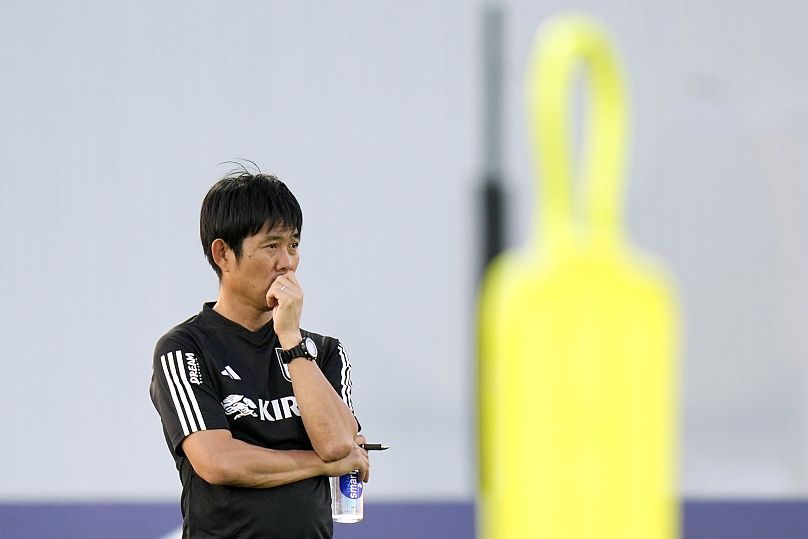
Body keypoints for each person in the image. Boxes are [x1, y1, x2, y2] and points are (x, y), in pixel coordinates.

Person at [150, 169, 369, 538]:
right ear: (223, 254)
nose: (286, 262)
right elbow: (218, 461)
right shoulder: (185, 348)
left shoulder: (324, 352)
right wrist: (320, 465)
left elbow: (337, 445)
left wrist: (290, 338)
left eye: (294, 245)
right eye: (271, 246)